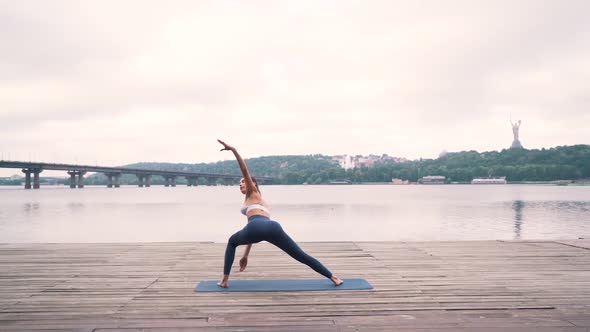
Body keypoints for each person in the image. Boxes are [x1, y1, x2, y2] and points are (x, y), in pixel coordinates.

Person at [216, 139, 343, 288]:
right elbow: (255, 227)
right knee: (300, 255)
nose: (241, 184)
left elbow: (244, 170)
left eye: (243, 182)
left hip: (256, 228)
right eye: (240, 183)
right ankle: (333, 277)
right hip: (272, 227)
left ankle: (224, 281)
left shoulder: (252, 193)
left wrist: (233, 150)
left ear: (253, 184)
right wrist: (245, 255)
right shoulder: (261, 201)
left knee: (232, 242)